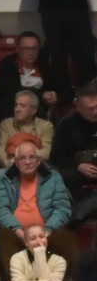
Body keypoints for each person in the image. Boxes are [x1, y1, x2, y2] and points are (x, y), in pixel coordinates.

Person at [0, 140, 76, 281]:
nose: (27, 162)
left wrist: (46, 232)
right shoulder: (3, 177)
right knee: (3, 236)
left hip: (46, 231)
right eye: (22, 158)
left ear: (38, 161)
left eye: (32, 157)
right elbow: (1, 209)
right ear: (16, 162)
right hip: (17, 232)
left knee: (67, 238)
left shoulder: (53, 177)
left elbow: (62, 208)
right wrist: (20, 232)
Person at [0, 31, 65, 124]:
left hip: (39, 117)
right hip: (11, 113)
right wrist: (41, 94)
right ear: (18, 49)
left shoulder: (46, 66)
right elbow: (9, 91)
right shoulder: (7, 64)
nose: (30, 52)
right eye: (26, 49)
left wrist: (56, 97)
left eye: (34, 49)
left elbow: (65, 90)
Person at [50, 80, 97, 222]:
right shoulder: (67, 124)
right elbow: (56, 156)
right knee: (58, 176)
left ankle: (87, 207)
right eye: (90, 109)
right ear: (78, 107)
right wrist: (78, 166)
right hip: (77, 171)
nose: (96, 112)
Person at [0, 90, 54, 167]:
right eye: (16, 105)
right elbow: (0, 150)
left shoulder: (46, 126)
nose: (17, 109)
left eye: (22, 106)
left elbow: (46, 152)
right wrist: (11, 164)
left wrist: (26, 161)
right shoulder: (6, 124)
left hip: (37, 167)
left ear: (33, 109)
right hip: (11, 166)